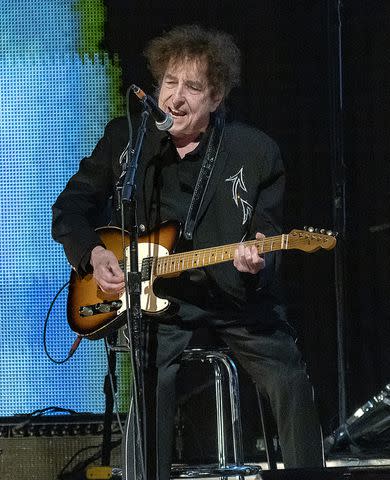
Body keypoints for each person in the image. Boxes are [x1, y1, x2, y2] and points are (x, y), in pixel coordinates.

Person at [52, 24, 324, 479]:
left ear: (215, 97)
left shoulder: (255, 151)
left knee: (289, 378)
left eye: (193, 88)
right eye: (169, 84)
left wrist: (257, 258)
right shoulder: (128, 140)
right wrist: (94, 254)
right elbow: (69, 208)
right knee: (149, 377)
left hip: (236, 299)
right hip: (163, 308)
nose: (176, 98)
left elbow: (267, 234)